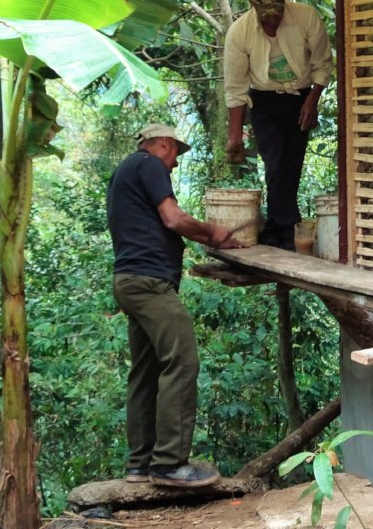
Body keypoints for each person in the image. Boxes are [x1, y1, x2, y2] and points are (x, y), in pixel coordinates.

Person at [107, 122, 244, 487]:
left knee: (146, 371)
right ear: (164, 144)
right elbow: (173, 218)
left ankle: (139, 465)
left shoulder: (124, 171)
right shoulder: (148, 164)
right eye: (175, 154)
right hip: (150, 284)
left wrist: (206, 236)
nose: (175, 163)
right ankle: (169, 463)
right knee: (182, 362)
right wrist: (213, 233)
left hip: (129, 281)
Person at [223, 0, 333, 250]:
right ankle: (286, 227)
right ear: (253, 4)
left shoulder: (306, 18)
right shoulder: (239, 32)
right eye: (266, 14)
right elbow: (235, 88)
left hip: (301, 98)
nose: (272, 19)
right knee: (274, 164)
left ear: (284, 0)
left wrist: (312, 101)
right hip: (264, 102)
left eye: (277, 12)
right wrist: (234, 136)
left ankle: (277, 229)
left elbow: (322, 64)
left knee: (291, 166)